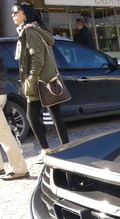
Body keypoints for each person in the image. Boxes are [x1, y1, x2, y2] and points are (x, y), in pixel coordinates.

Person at [12, 2, 69, 158]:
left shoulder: (30, 32)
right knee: (55, 114)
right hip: (48, 80)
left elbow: (37, 59)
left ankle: (46, 151)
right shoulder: (36, 30)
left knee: (32, 116)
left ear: (24, 13)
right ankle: (66, 146)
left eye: (15, 12)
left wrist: (31, 79)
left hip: (39, 82)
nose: (13, 16)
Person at [0, 53, 29, 180]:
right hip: (1, 92)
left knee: (4, 134)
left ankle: (19, 169)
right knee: (3, 132)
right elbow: (3, 69)